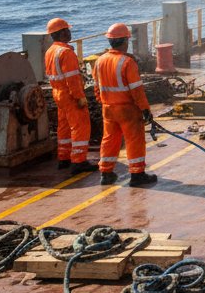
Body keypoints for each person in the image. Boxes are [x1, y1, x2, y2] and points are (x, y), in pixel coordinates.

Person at [95, 23, 157, 187]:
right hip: (127, 109)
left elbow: (97, 87)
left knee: (109, 139)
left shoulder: (99, 61)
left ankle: (106, 173)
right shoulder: (127, 63)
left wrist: (103, 101)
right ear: (124, 41)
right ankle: (137, 175)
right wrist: (145, 110)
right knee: (134, 140)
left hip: (108, 108)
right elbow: (137, 91)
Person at [43, 18, 91, 173]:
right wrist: (79, 97)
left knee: (63, 126)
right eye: (68, 30)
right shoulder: (66, 53)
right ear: (62, 32)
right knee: (80, 125)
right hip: (69, 94)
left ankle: (64, 157)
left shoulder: (50, 51)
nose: (70, 32)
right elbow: (72, 79)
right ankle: (79, 161)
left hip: (57, 93)